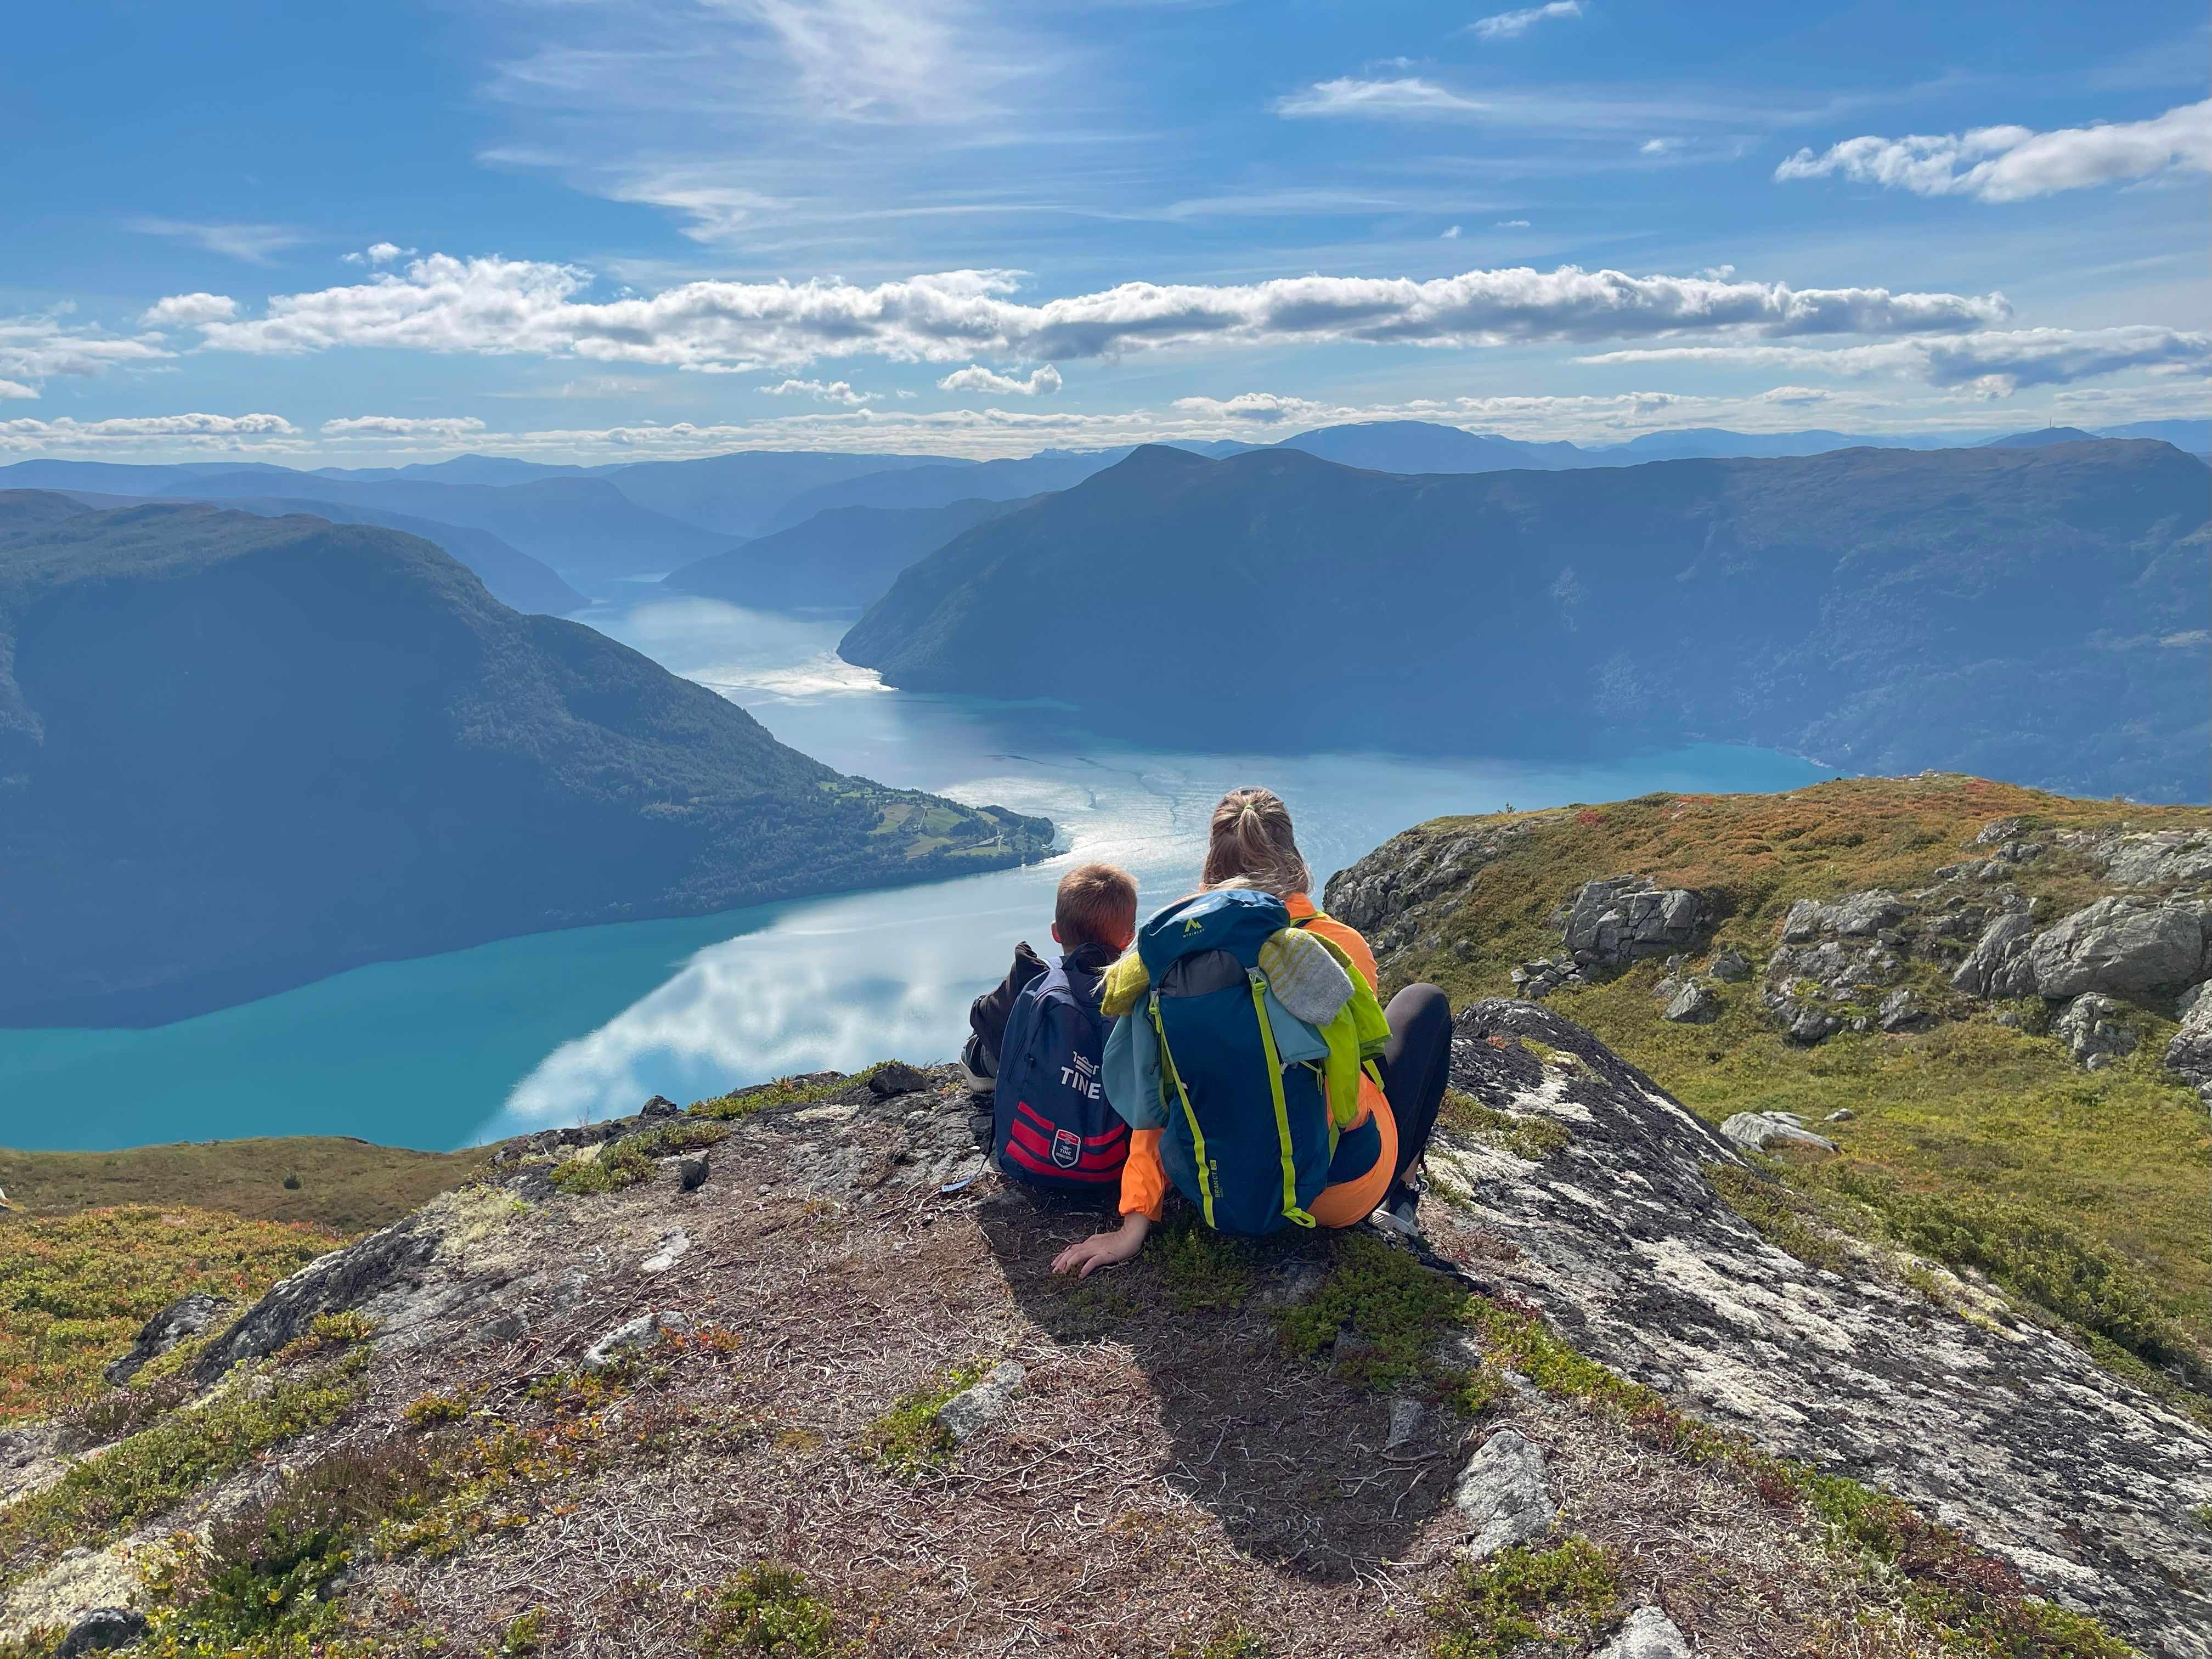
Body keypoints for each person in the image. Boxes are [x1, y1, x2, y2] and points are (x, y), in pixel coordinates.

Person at [1052, 788, 1453, 1275]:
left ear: (1211, 861)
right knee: (1425, 1003)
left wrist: (1134, 1221)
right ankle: (1403, 1195)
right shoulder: (1333, 944)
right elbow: (1360, 1059)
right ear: (1292, 854)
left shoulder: (1171, 953)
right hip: (1334, 1193)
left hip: (1215, 1188)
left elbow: (1153, 1088)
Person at [972, 862, 1141, 1190]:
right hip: (1114, 1160)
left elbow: (981, 1017)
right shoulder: (1136, 991)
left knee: (981, 1044)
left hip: (1030, 1154)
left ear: (1056, 932)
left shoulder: (1036, 977)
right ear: (1127, 939)